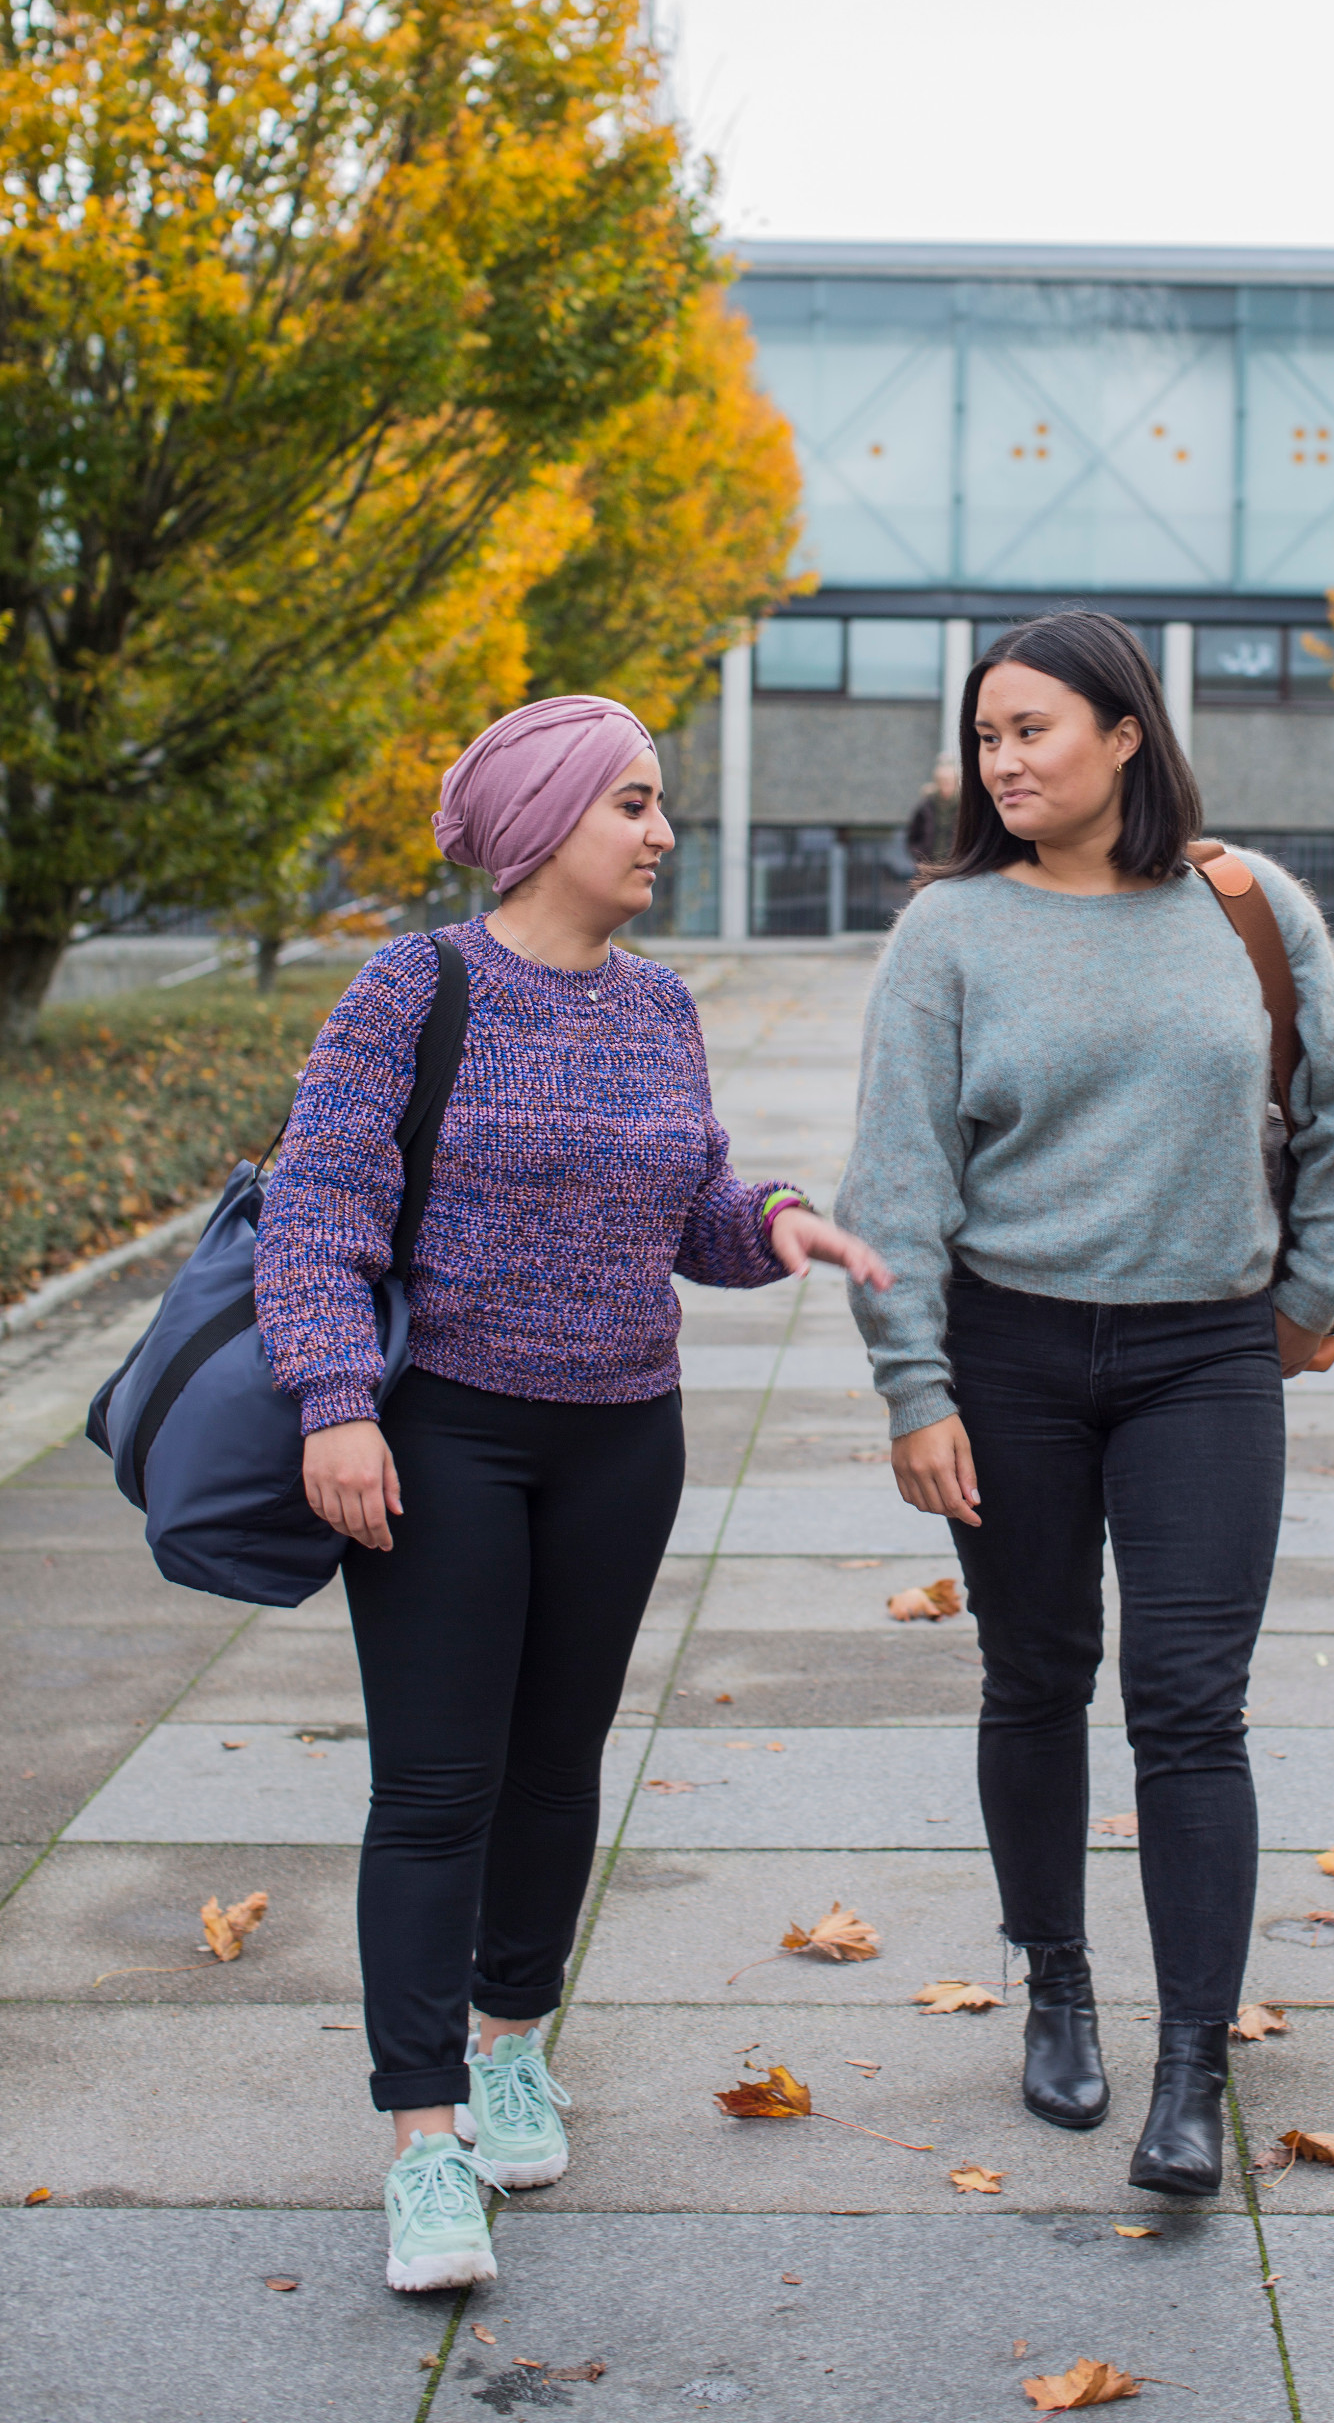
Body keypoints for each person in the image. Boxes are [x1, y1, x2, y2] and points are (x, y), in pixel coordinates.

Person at [254, 694, 887, 2294]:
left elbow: (692, 1203)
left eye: (658, 801)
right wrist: (337, 1404)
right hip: (445, 1435)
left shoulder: (658, 1007)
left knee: (555, 1768)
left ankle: (510, 2044)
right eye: (633, 803)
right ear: (543, 824)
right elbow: (317, 1212)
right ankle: (421, 2142)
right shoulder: (418, 986)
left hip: (623, 1433)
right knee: (435, 1789)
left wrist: (778, 1219)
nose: (660, 831)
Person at [833, 612, 1334, 2195]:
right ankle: (1056, 1984)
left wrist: (1302, 1301)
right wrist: (913, 1386)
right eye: (987, 737)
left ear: (1126, 734)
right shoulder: (949, 931)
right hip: (1009, 1357)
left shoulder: (1248, 903)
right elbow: (899, 1178)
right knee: (1035, 1675)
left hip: (1204, 1357)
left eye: (1036, 732)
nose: (1004, 763)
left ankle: (1193, 2058)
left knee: (1193, 1704)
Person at [904, 754, 961, 870]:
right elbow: (912, 836)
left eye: (949, 781)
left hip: (956, 867)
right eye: (942, 781)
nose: (946, 785)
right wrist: (920, 858)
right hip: (930, 867)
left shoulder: (965, 806)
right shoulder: (926, 806)